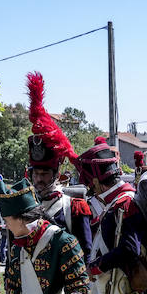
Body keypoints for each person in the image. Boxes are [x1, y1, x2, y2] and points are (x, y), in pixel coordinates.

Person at [25, 73, 94, 256]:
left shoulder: (73, 208)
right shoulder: (24, 205)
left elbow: (85, 252)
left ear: (56, 173)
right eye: (36, 173)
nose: (39, 178)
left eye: (45, 173)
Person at [75, 136, 139, 294]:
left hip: (120, 287)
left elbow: (129, 249)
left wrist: (96, 267)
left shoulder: (125, 202)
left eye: (91, 182)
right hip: (106, 284)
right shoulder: (113, 202)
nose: (90, 187)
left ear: (96, 181)